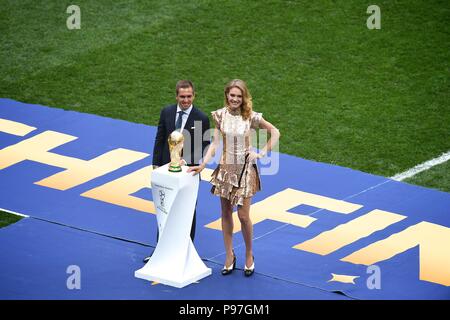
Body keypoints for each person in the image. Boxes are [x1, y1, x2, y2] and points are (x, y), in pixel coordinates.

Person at [188, 79, 280, 276]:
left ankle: (249, 255)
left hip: (245, 169)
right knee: (225, 212)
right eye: (232, 95)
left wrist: (261, 153)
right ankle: (229, 255)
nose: (235, 99)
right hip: (225, 169)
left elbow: (275, 132)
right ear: (227, 95)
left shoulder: (251, 117)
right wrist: (204, 163)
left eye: (239, 96)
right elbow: (215, 143)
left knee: (244, 216)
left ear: (244, 98)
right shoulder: (220, 115)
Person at [143, 80, 210, 263]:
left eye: (189, 96)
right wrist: (156, 165)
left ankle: (185, 254)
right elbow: (159, 139)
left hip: (189, 173)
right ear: (176, 96)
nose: (186, 100)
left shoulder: (201, 118)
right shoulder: (167, 112)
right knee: (163, 209)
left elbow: (203, 146)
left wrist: (186, 161)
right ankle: (160, 251)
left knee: (188, 212)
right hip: (166, 171)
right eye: (182, 96)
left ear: (194, 96)